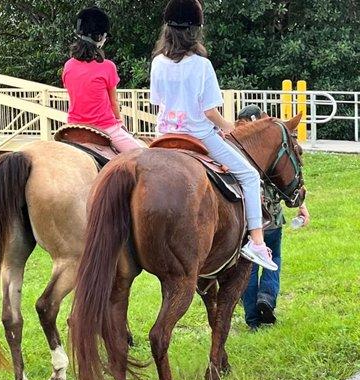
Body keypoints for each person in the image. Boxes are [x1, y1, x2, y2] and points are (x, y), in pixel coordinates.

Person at [150, 0, 277, 271]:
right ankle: (256, 241)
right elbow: (209, 112)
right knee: (250, 176)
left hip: (163, 137)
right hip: (198, 135)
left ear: (167, 30)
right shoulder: (201, 65)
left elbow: (157, 101)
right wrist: (228, 126)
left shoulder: (158, 63)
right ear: (195, 31)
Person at [239, 105, 310, 330]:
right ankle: (267, 298)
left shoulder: (237, 149)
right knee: (273, 258)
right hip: (272, 219)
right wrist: (302, 206)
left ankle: (252, 319)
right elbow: (286, 175)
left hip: (246, 222)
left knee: (248, 267)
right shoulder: (269, 147)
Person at [62, 6, 142, 152]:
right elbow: (113, 102)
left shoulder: (68, 66)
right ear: (99, 38)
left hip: (73, 128)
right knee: (144, 157)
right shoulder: (107, 66)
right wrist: (120, 123)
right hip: (105, 128)